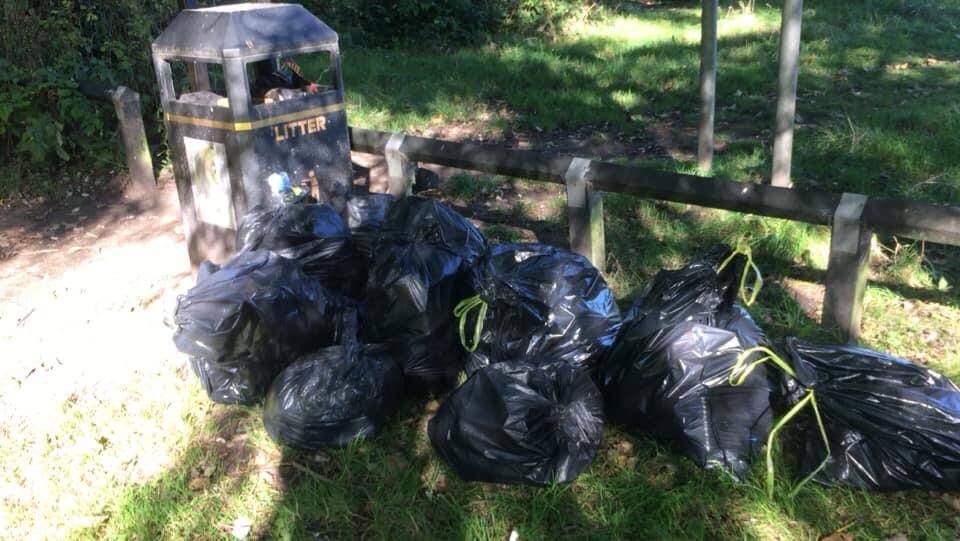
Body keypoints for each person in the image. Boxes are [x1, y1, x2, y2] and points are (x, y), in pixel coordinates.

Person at [250, 55, 319, 100]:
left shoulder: (290, 93)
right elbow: (298, 75)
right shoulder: (296, 85)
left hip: (267, 83)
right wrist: (288, 59)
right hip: (275, 78)